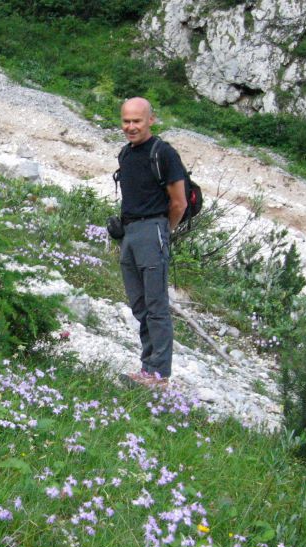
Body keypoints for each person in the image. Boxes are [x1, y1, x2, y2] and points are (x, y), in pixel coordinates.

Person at [117, 97, 187, 388]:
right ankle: (148, 369)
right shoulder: (125, 154)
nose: (131, 127)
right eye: (126, 121)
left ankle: (158, 375)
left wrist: (163, 232)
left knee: (156, 304)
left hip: (152, 231)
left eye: (137, 121)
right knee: (140, 304)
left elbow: (179, 203)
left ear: (150, 120)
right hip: (130, 234)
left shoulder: (164, 153)